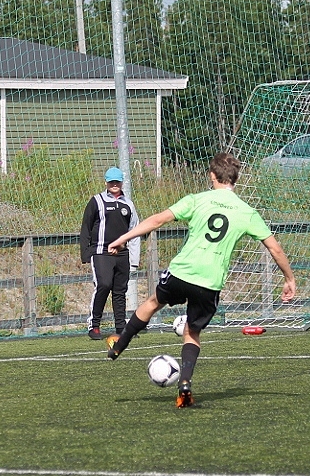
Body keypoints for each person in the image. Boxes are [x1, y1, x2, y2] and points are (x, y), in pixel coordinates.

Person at [105, 152, 297, 408]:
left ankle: (119, 345)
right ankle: (185, 383)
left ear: (212, 175)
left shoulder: (196, 200)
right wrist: (289, 278)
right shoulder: (247, 212)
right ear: (236, 178)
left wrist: (122, 239)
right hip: (210, 282)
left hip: (182, 272)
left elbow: (157, 220)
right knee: (192, 332)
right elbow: (275, 249)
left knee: (152, 303)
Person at [80, 167, 140, 339]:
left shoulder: (128, 204)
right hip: (101, 252)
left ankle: (121, 327)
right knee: (104, 285)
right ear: (106, 182)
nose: (114, 184)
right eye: (111, 181)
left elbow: (134, 231)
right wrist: (85, 253)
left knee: (120, 291)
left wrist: (134, 259)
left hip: (122, 254)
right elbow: (86, 227)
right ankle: (94, 325)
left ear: (122, 182)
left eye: (117, 181)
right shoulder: (96, 201)